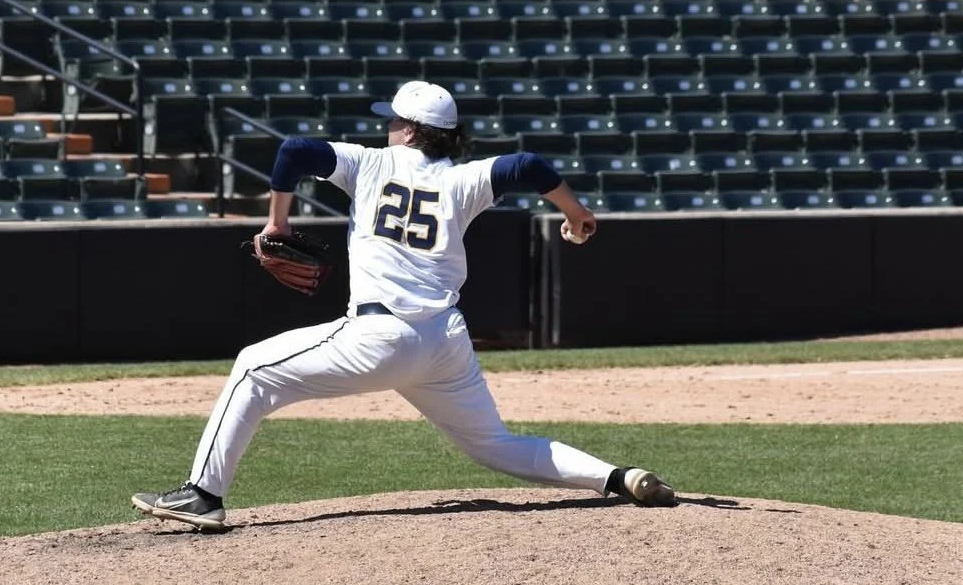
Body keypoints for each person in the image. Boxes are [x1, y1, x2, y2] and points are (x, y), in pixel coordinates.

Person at [132, 80, 675, 529]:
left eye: (392, 119)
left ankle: (203, 494)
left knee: (253, 366)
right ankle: (617, 475)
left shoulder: (369, 163)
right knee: (495, 444)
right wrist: (575, 212)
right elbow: (528, 165)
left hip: (379, 336)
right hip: (445, 342)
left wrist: (276, 221)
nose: (386, 125)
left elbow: (294, 150)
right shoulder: (463, 179)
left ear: (410, 130)